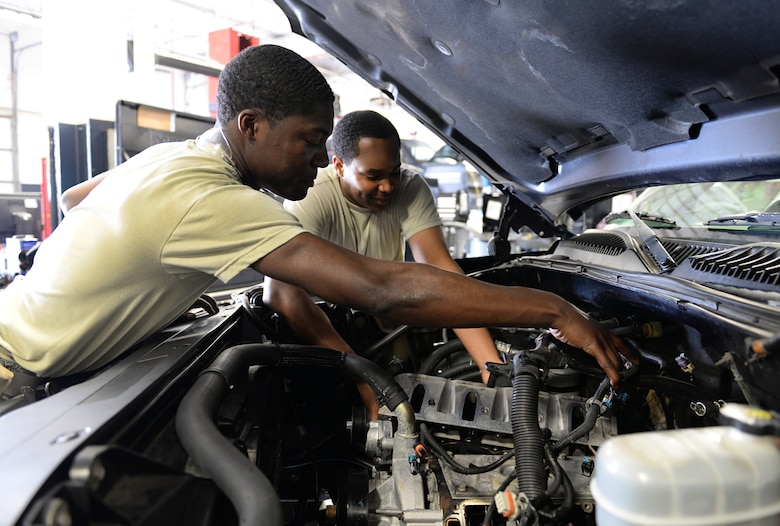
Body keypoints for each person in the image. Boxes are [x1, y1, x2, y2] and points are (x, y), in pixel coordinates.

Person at [0, 44, 634, 401]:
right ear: (251, 126)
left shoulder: (174, 160)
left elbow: (79, 200)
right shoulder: (212, 198)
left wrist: (158, 287)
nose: (318, 159)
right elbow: (382, 288)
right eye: (308, 140)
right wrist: (553, 310)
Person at [263, 110, 502, 417]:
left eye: (395, 172)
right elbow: (281, 295)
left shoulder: (411, 189)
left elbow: (444, 272)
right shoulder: (313, 197)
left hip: (388, 322)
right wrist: (361, 376)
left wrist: (489, 367)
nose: (388, 186)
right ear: (338, 166)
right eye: (373, 176)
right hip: (327, 333)